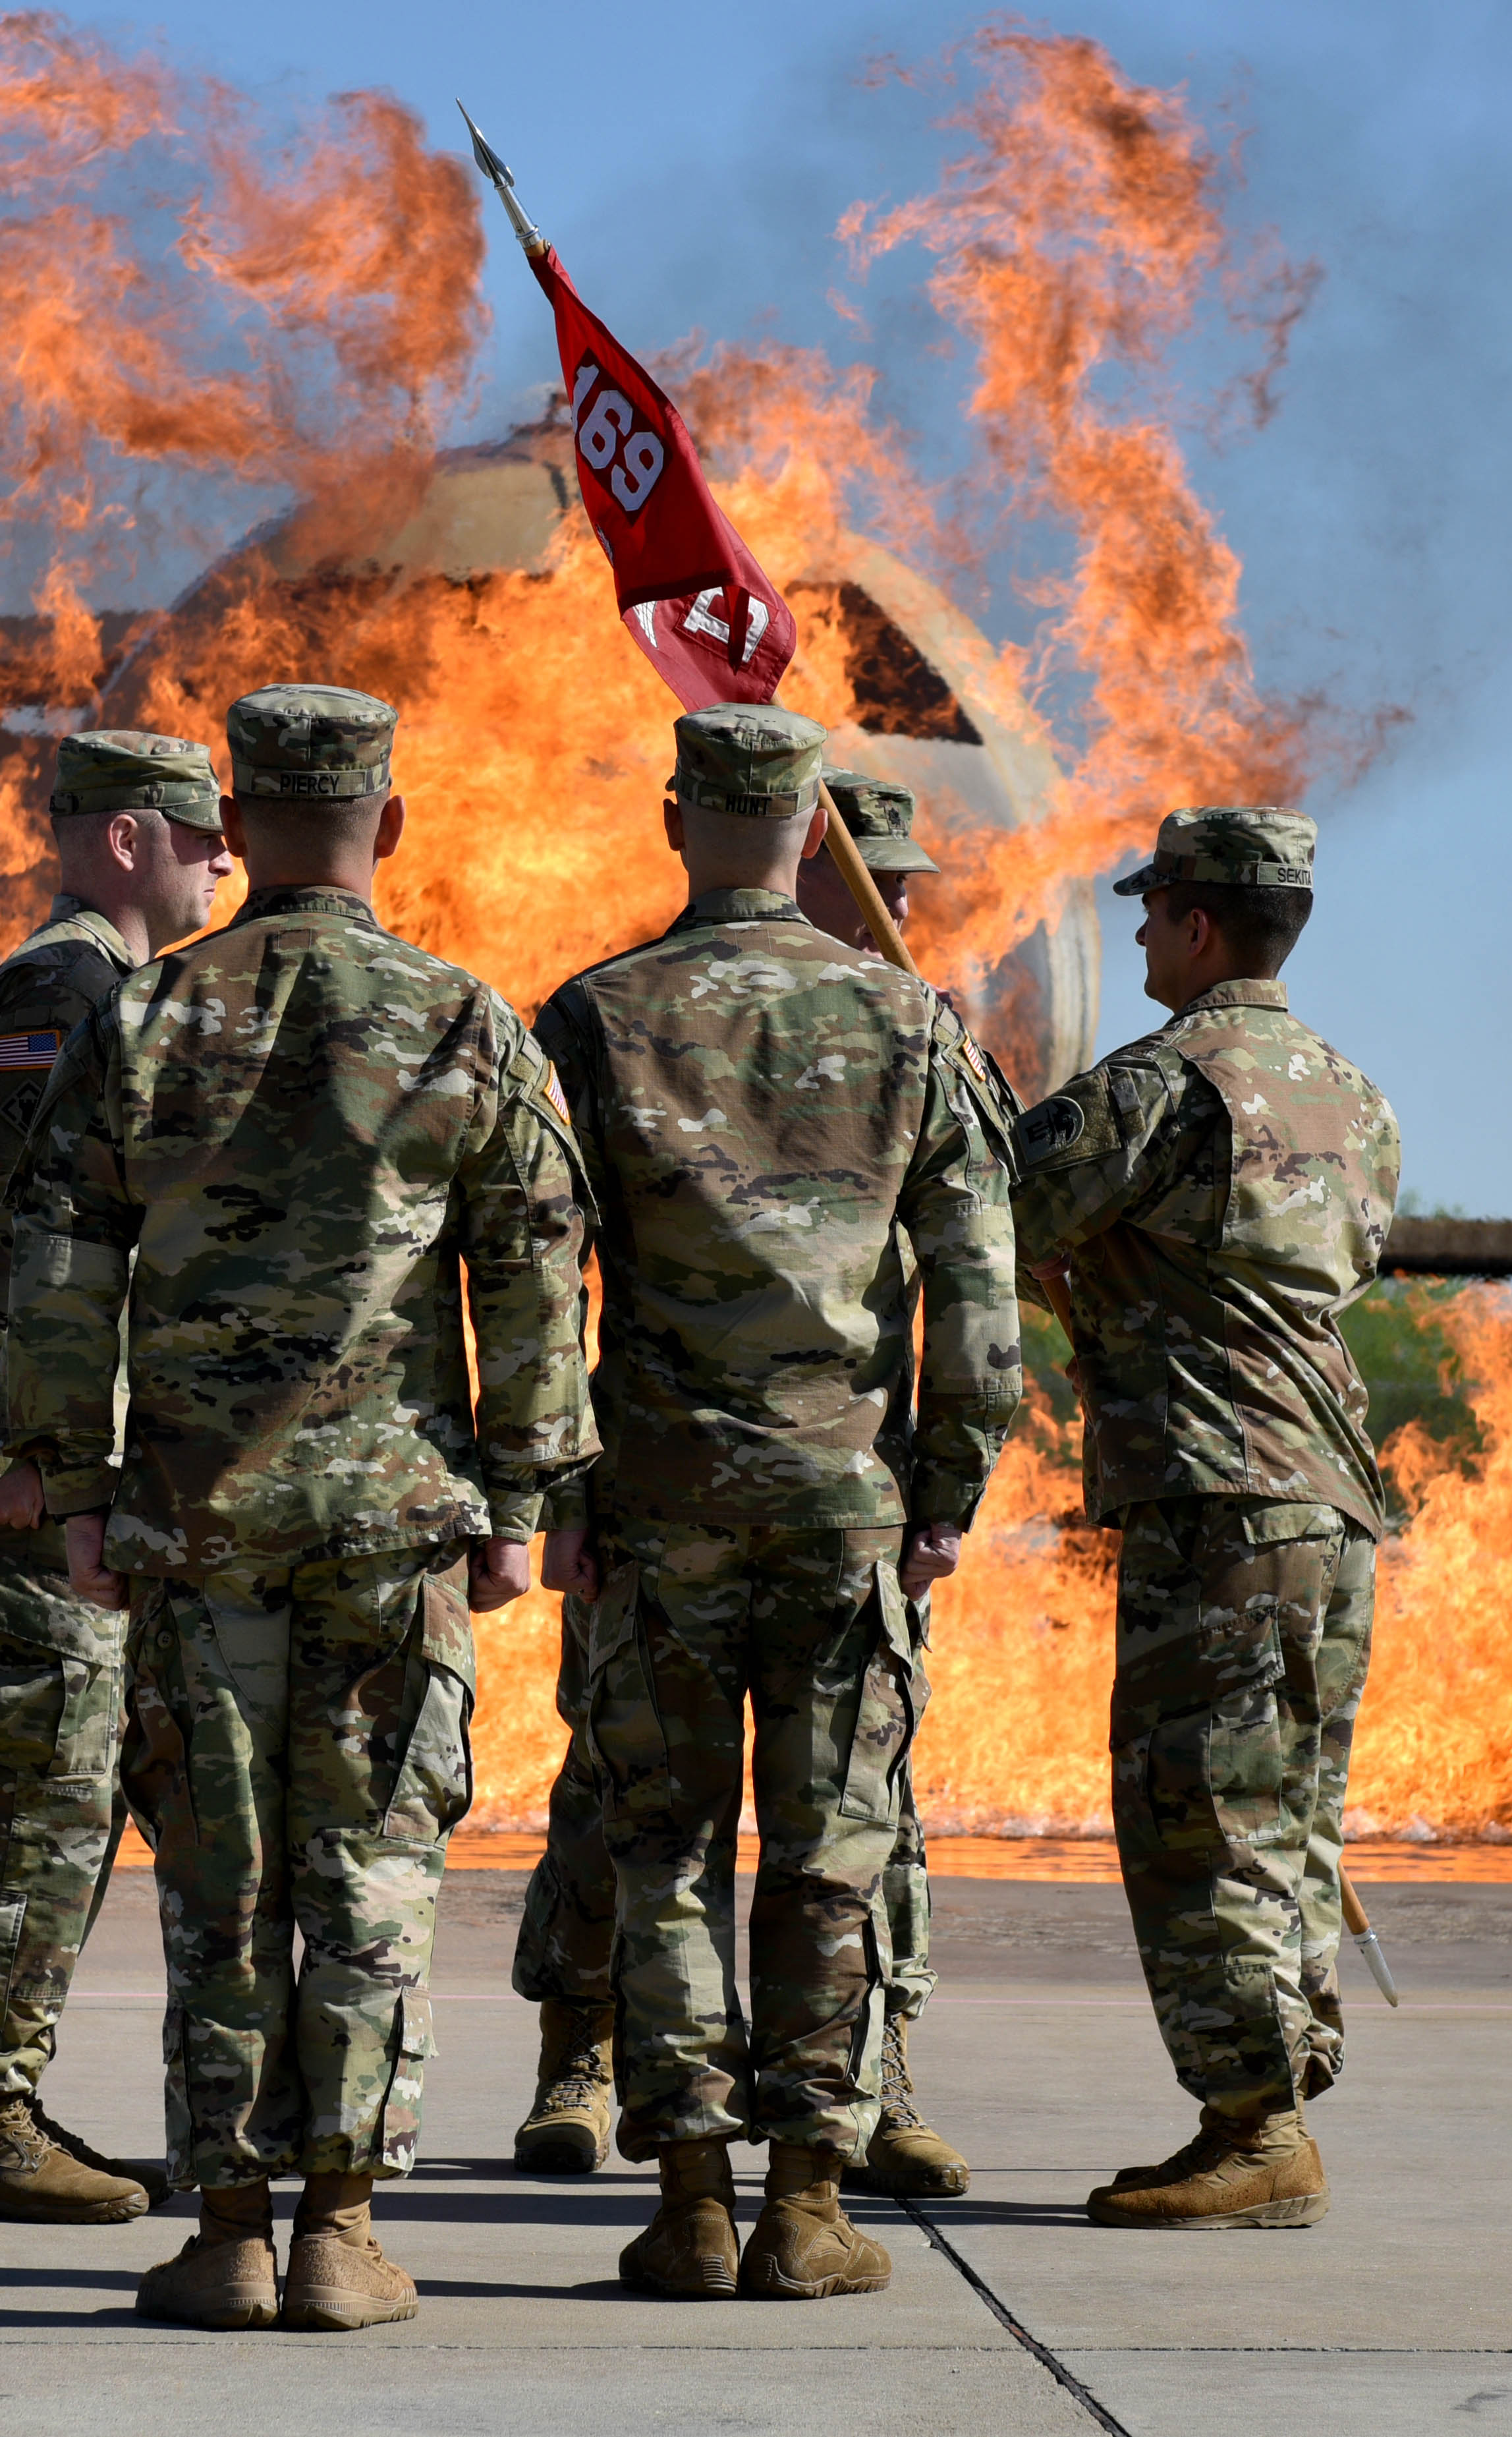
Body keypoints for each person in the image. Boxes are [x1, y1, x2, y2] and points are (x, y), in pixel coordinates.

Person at [0, 683, 596, 2333]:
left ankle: (231, 2229)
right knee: (375, 1870)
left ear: (232, 830)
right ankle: (344, 2229)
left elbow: (56, 1265)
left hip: (196, 1529)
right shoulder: (467, 1023)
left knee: (219, 1880)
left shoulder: (145, 1016)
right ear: (385, 825)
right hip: (395, 1533)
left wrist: (77, 1492)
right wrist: (523, 1495)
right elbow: (536, 1273)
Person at [530, 704, 1021, 2302]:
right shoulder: (912, 1021)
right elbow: (976, 1292)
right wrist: (944, 1484)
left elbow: (534, 1276)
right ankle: (807, 2204)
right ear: (817, 829)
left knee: (661, 1850)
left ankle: (683, 2196)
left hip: (660, 1504)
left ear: (680, 819)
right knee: (830, 1851)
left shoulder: (594, 1019)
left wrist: (552, 1481)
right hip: (842, 1504)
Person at [1007, 806, 1399, 2231]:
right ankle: (1274, 2087)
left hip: (1218, 1498)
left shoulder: (1163, 1084)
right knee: (1286, 1812)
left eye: (1150, 907)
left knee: (1196, 1812)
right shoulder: (1353, 1096)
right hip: (1329, 1498)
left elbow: (993, 1202)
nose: (1134, 931)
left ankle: (1254, 2122)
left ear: (1194, 921)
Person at [0, 729, 231, 2225]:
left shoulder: (110, 990)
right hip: (31, 1483)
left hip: (69, 1470)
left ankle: (7, 2097)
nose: (226, 860)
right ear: (126, 839)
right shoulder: (65, 993)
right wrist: (0, 1457)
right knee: (27, 1787)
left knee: (76, 1782)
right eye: (202, 833)